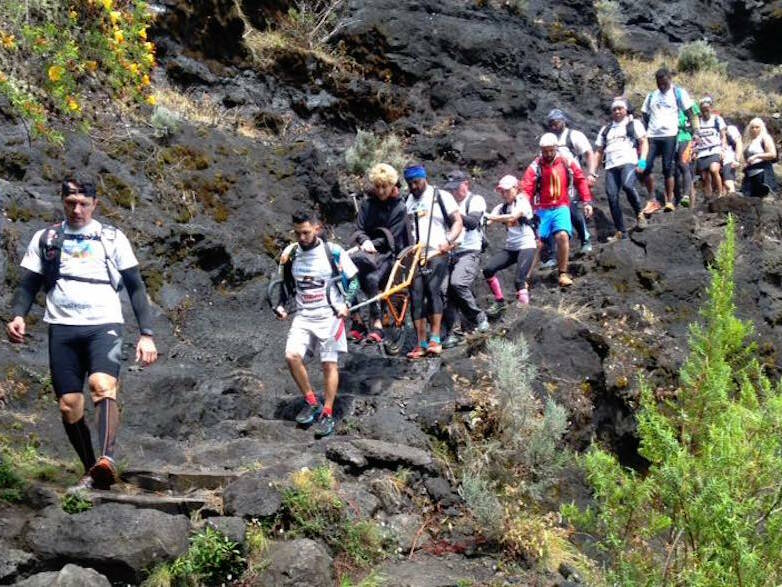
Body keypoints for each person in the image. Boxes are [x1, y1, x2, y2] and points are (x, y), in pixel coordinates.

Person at [6, 178, 158, 492]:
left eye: (84, 204)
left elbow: (135, 286)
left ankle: (107, 459)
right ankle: (93, 470)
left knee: (101, 385)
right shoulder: (47, 237)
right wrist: (19, 314)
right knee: (69, 405)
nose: (77, 209)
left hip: (104, 325)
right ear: (62, 201)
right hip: (62, 328)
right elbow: (28, 284)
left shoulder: (112, 237)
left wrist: (147, 334)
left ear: (95, 204)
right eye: (71, 203)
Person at [274, 209, 359, 438]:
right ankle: (312, 401)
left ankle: (328, 413)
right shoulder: (291, 254)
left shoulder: (333, 252)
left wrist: (346, 304)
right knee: (291, 356)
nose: (301, 238)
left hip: (330, 317)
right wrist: (282, 306)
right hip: (303, 317)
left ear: (317, 228)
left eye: (306, 232)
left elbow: (354, 282)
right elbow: (287, 286)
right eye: (297, 233)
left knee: (328, 363)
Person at [403, 164, 463, 359]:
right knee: (416, 296)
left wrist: (448, 241)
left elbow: (457, 222)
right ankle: (420, 343)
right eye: (410, 183)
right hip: (415, 256)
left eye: (416, 182)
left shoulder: (440, 196)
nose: (413, 186)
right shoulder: (407, 201)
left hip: (437, 252)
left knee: (433, 289)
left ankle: (435, 338)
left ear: (424, 178)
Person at [520, 134, 594, 287]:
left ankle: (563, 273)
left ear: (556, 148)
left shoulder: (567, 161)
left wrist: (587, 201)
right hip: (541, 209)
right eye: (544, 151)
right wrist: (522, 208)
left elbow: (580, 179)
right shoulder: (535, 166)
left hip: (561, 206)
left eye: (550, 150)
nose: (547, 154)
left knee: (562, 236)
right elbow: (527, 188)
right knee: (536, 244)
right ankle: (524, 279)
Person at [349, 163, 410, 344]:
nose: (381, 191)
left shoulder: (399, 208)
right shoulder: (367, 204)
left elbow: (391, 237)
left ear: (392, 185)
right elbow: (358, 228)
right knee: (346, 274)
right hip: (367, 252)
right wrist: (364, 242)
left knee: (371, 279)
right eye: (378, 187)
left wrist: (370, 244)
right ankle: (357, 321)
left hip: (389, 254)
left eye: (385, 186)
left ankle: (377, 324)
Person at [440, 170, 489, 349]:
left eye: (456, 188)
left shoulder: (475, 200)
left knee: (458, 283)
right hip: (449, 252)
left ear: (465, 184)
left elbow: (473, 222)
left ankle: (479, 317)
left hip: (469, 250)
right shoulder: (448, 202)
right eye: (451, 189)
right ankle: (450, 332)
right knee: (443, 291)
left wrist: (454, 215)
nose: (453, 192)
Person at [641, 67, 699, 212]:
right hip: (653, 136)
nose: (661, 86)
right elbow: (645, 114)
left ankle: (670, 200)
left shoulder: (678, 93)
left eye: (664, 82)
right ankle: (652, 199)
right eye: (658, 83)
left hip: (671, 135)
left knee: (669, 167)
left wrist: (696, 132)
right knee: (645, 167)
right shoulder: (651, 96)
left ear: (669, 79)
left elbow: (690, 113)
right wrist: (650, 128)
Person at [594, 97, 649, 239]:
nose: (617, 111)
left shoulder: (633, 124)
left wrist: (642, 162)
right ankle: (621, 231)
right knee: (612, 196)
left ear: (626, 110)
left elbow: (643, 142)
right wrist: (593, 172)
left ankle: (639, 214)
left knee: (628, 186)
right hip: (611, 166)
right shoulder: (606, 129)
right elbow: (599, 151)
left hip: (628, 162)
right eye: (614, 109)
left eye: (620, 108)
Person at [483, 174, 538, 315]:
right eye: (502, 191)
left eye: (507, 190)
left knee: (519, 279)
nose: (504, 194)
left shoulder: (522, 202)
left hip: (526, 244)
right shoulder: (501, 207)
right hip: (511, 247)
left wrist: (491, 217)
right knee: (488, 270)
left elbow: (513, 216)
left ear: (515, 188)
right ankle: (500, 302)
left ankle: (523, 313)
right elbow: (487, 221)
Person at [547, 108, 595, 254]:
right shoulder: (549, 138)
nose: (554, 126)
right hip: (554, 181)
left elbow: (588, 153)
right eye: (551, 123)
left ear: (563, 121)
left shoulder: (573, 135)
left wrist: (591, 173)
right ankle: (555, 252)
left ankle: (585, 238)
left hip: (572, 178)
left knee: (570, 207)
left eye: (556, 122)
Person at [692, 96, 727, 201]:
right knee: (704, 176)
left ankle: (721, 194)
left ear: (711, 108)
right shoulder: (698, 121)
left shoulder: (717, 119)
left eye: (707, 109)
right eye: (703, 110)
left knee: (714, 169)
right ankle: (708, 197)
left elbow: (723, 136)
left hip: (714, 149)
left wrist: (723, 149)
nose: (705, 111)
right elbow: (695, 136)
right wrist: (694, 150)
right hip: (702, 151)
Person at [742, 117, 778, 198]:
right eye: (752, 127)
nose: (754, 129)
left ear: (761, 127)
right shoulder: (749, 140)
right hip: (750, 173)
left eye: (757, 127)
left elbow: (773, 154)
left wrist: (756, 156)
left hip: (762, 172)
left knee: (763, 197)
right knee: (750, 198)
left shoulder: (765, 138)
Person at [673, 99, 700, 207]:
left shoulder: (689, 102)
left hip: (685, 137)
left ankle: (688, 199)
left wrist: (696, 136)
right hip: (671, 138)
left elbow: (695, 118)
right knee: (673, 170)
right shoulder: (667, 102)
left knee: (684, 166)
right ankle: (676, 200)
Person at [721, 122, 743, 195]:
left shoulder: (730, 129)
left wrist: (737, 159)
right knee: (722, 185)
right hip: (717, 159)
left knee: (728, 182)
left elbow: (739, 143)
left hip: (729, 158)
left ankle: (733, 198)